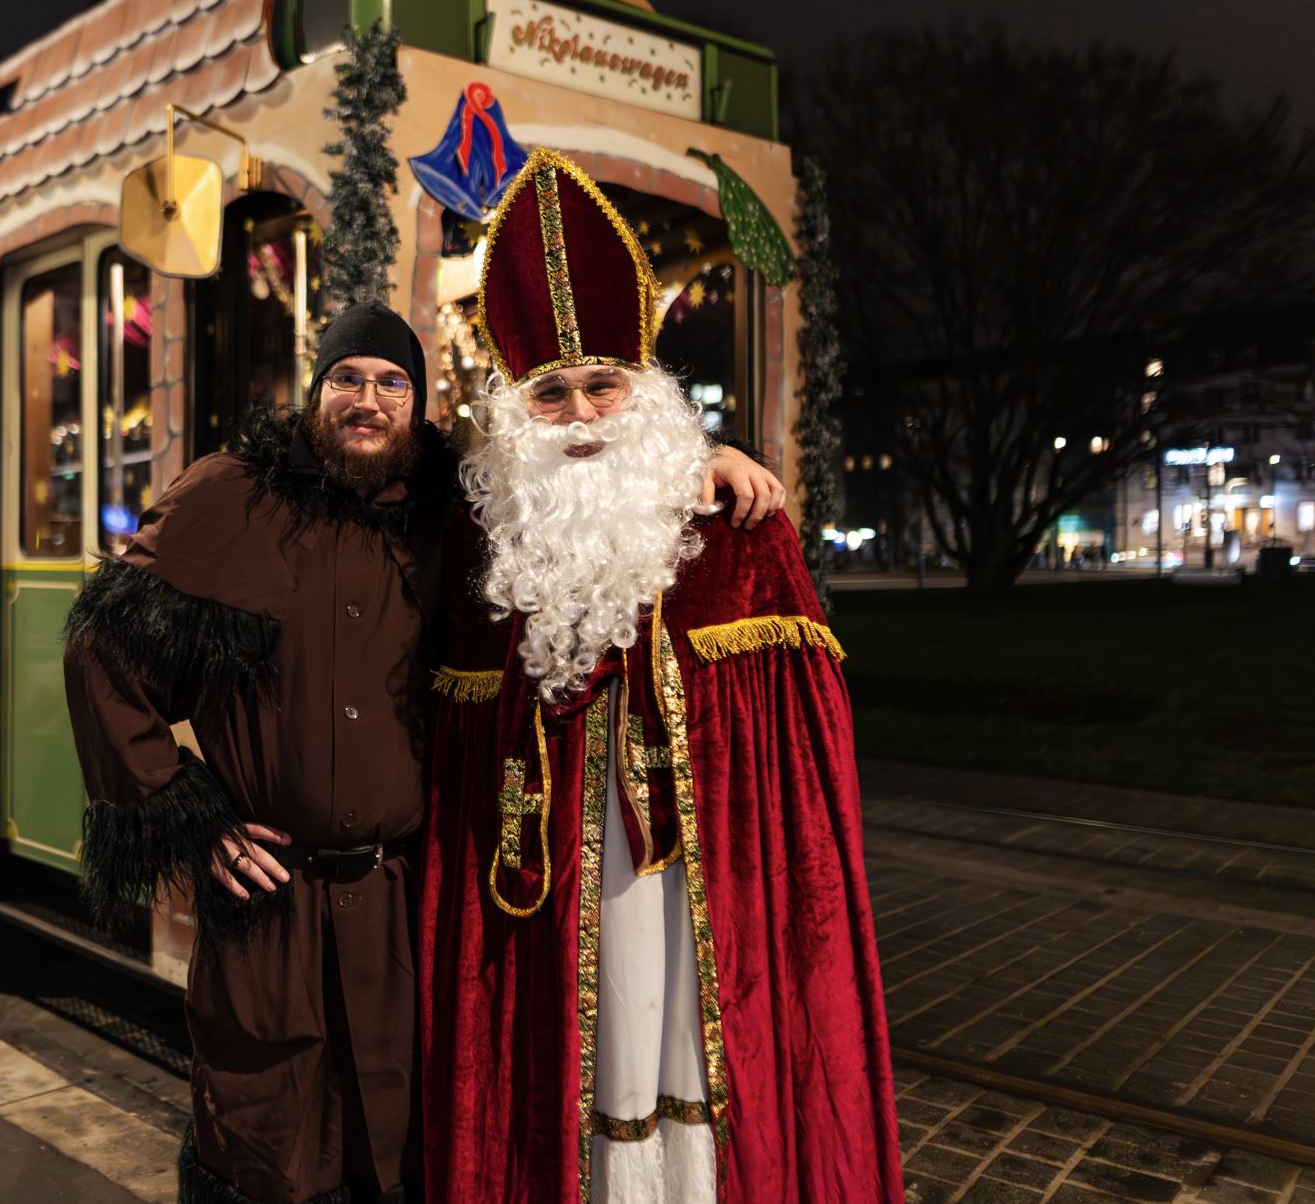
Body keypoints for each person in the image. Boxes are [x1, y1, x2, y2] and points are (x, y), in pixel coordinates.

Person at [63, 295, 784, 1204]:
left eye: (392, 382)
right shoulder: (229, 495)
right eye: (348, 379)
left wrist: (704, 459)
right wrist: (184, 810)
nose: (368, 399)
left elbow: (585, 488)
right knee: (267, 1146)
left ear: (418, 402)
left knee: (397, 1147)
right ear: (315, 392)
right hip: (273, 908)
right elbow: (102, 649)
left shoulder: (451, 509)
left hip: (402, 901)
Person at [418, 148, 903, 1202]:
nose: (585, 415)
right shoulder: (478, 543)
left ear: (646, 395)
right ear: (511, 408)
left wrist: (716, 460)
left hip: (696, 895)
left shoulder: (733, 532)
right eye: (552, 394)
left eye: (604, 385)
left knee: (676, 1044)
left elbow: (804, 782)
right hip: (538, 900)